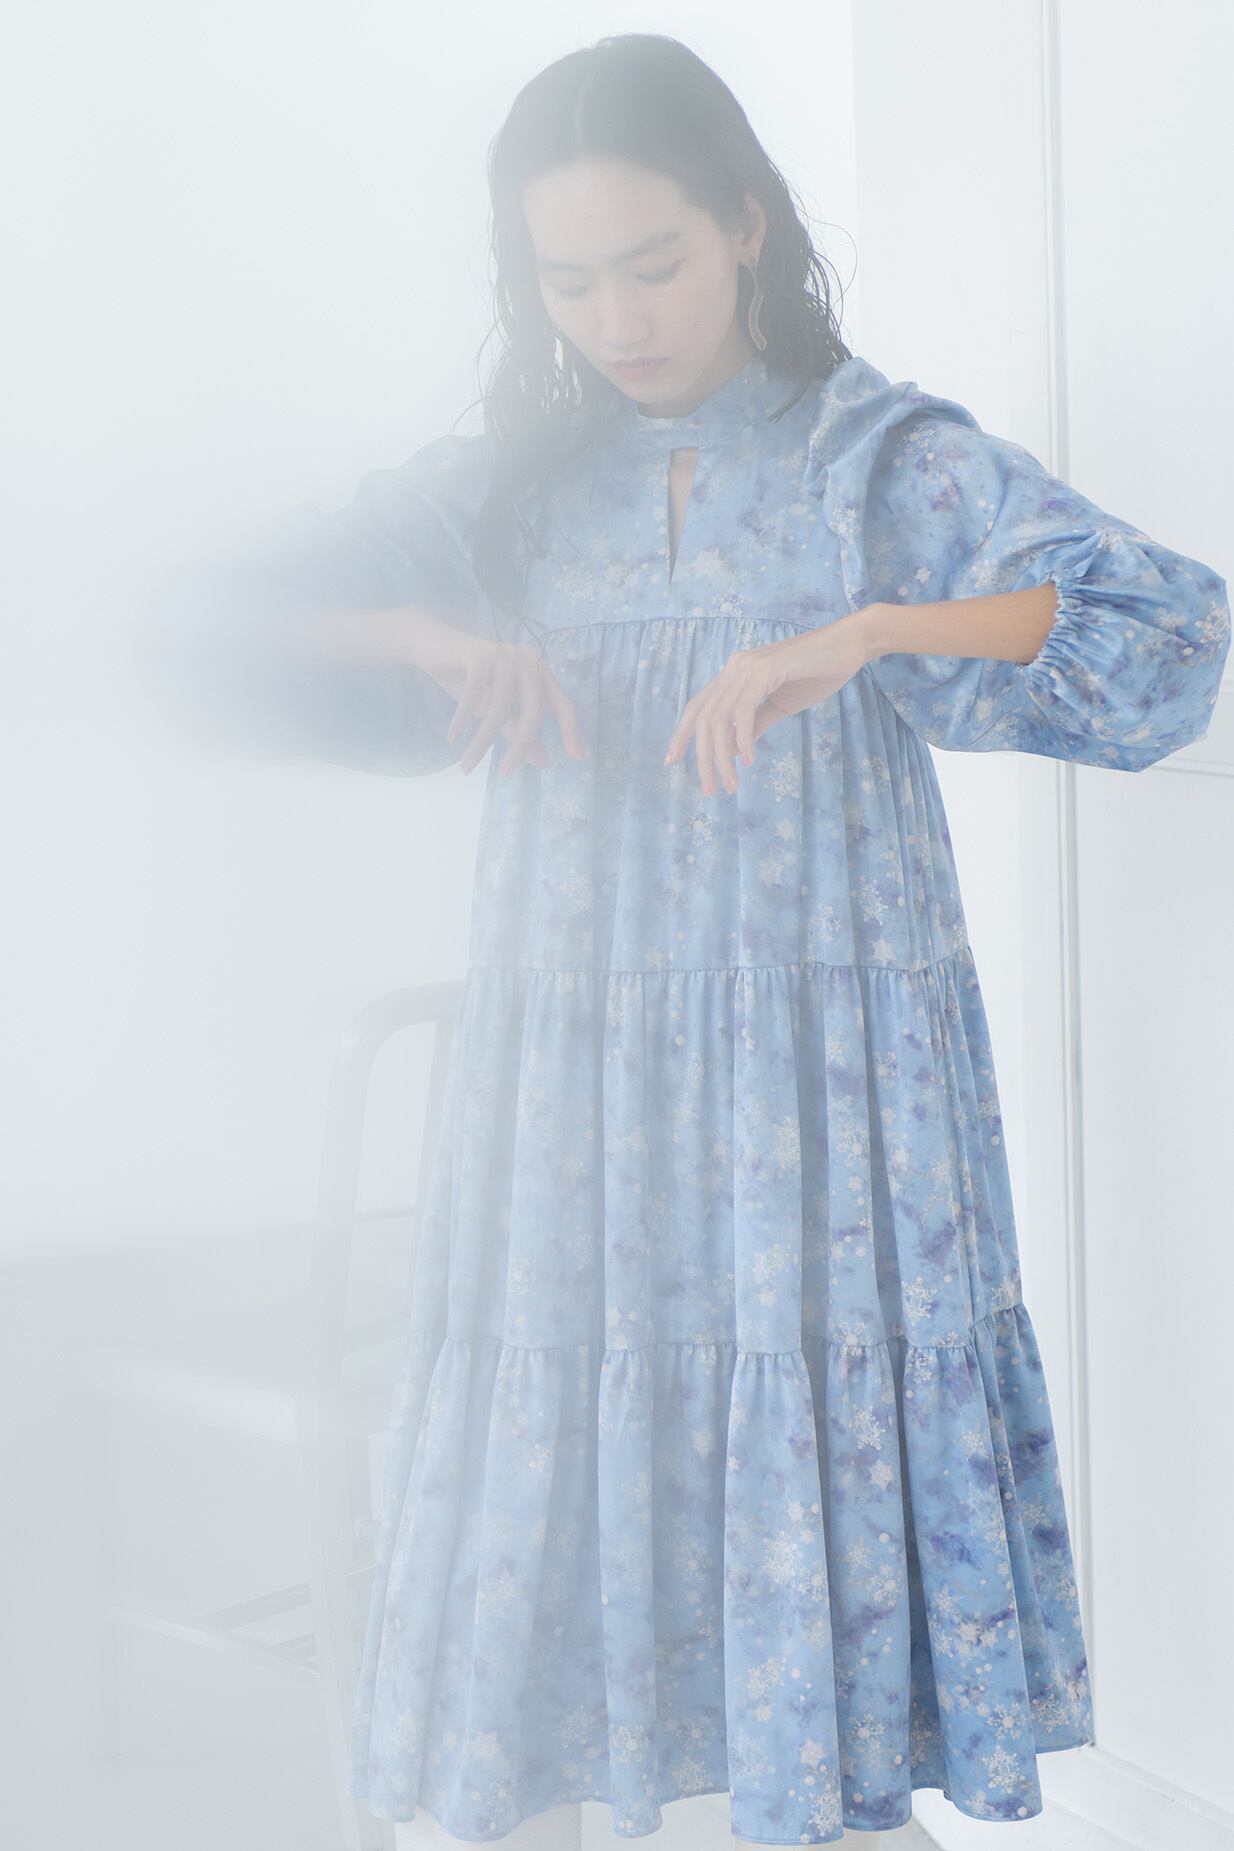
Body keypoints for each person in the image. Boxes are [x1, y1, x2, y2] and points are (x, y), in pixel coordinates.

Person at [132, 31, 1230, 1848]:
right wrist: (418, 638)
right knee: (578, 1419)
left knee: (823, 1396)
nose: (616, 319)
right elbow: (193, 625)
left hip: (831, 1080)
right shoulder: (504, 490)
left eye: (649, 263)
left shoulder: (874, 461)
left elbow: (1165, 628)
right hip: (573, 1079)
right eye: (568, 281)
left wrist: (864, 633)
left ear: (741, 225)